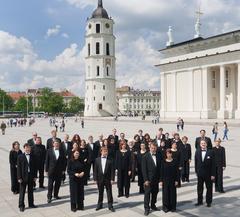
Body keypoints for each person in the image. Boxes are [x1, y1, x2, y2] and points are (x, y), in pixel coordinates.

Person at [142, 142, 162, 216]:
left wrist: (160, 179)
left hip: (156, 179)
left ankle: (153, 205)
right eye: (152, 148)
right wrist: (146, 180)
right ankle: (146, 208)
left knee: (155, 193)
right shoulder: (145, 156)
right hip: (148, 180)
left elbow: (160, 168)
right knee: (147, 194)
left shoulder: (159, 156)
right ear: (149, 148)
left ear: (156, 148)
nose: (153, 149)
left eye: (154, 148)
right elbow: (144, 170)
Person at [94, 146, 115, 212]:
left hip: (108, 179)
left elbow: (112, 170)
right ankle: (99, 204)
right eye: (104, 151)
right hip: (100, 179)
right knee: (100, 192)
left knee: (109, 192)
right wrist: (95, 179)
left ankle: (110, 205)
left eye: (106, 151)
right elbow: (95, 170)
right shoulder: (97, 160)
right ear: (101, 152)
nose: (106, 152)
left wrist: (112, 179)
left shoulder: (110, 160)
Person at [195, 140, 215, 207]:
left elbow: (213, 164)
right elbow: (196, 163)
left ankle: (208, 202)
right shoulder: (197, 151)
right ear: (200, 144)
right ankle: (199, 201)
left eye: (204, 143)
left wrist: (213, 174)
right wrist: (196, 172)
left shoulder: (211, 152)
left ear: (206, 144)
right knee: (199, 188)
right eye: (202, 143)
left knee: (209, 188)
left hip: (208, 174)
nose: (203, 144)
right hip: (200, 174)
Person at [17, 143, 37, 212]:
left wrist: (35, 176)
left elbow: (35, 167)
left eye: (29, 147)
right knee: (22, 192)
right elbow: (19, 168)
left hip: (31, 176)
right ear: (24, 148)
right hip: (23, 177)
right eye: (26, 147)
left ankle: (31, 204)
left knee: (30, 191)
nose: (28, 149)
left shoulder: (33, 156)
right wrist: (19, 177)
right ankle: (21, 205)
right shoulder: (20, 156)